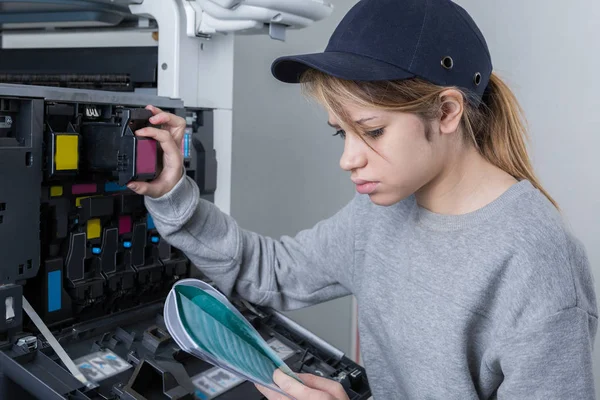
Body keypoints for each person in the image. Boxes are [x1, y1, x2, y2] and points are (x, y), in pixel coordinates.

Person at [128, 0, 598, 398]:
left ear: (448, 111)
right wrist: (173, 194)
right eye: (341, 134)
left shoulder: (537, 262)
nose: (348, 159)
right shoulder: (382, 213)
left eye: (371, 131)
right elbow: (268, 272)